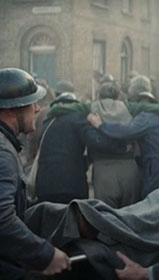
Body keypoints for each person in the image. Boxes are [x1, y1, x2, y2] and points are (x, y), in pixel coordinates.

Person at [0, 68, 70, 279]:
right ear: (11, 111)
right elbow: (2, 218)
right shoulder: (3, 153)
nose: (38, 108)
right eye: (31, 103)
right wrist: (45, 254)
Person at [87, 75, 159, 198]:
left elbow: (125, 131)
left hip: (157, 168)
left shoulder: (145, 117)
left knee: (151, 204)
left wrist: (101, 125)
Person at [35, 91, 127, 204]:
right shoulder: (77, 119)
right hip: (71, 186)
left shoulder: (47, 122)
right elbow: (97, 141)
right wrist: (121, 145)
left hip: (44, 187)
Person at [90, 83, 142, 208]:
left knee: (106, 218)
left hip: (103, 169)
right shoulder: (129, 111)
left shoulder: (92, 111)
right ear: (118, 96)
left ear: (98, 97)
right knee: (130, 215)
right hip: (129, 169)